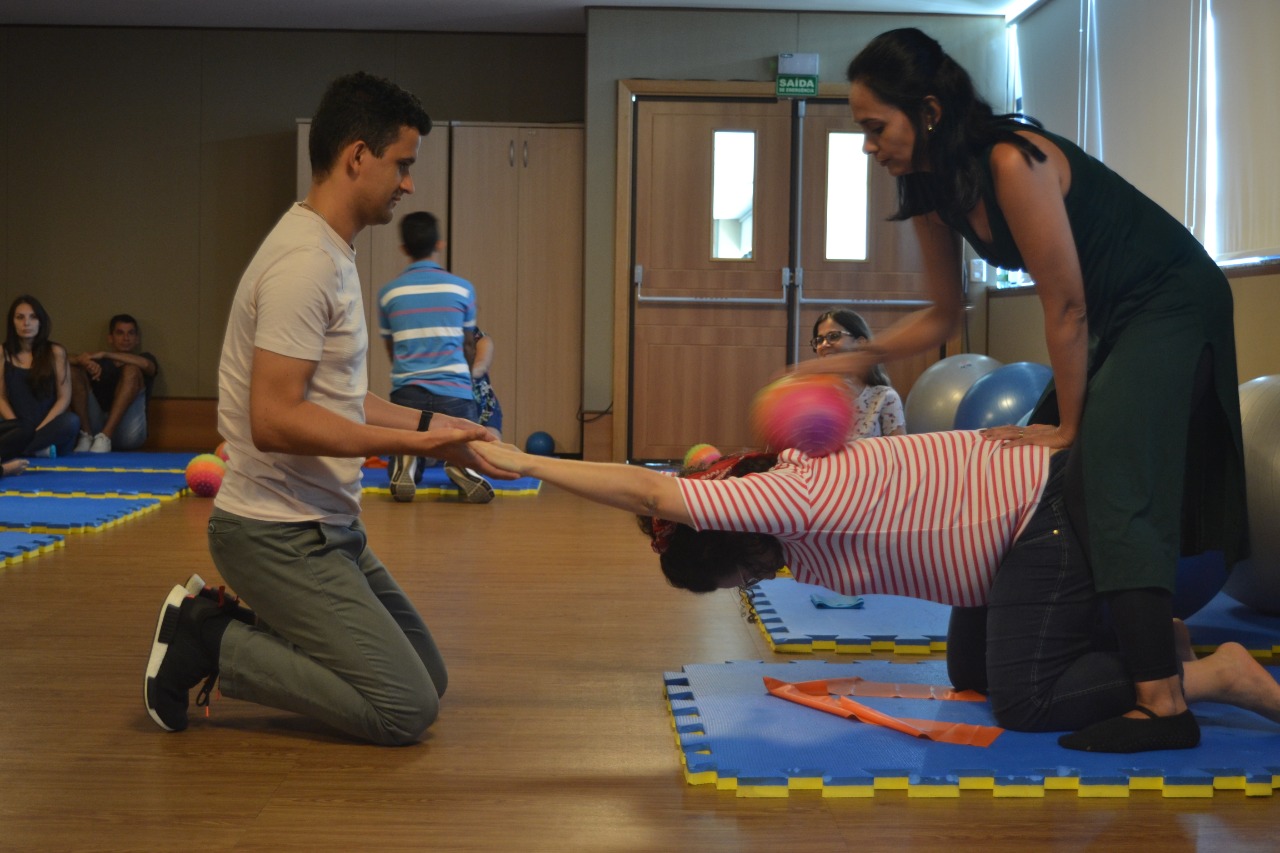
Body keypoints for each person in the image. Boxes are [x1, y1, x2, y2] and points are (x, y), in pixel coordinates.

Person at [792, 27, 1247, 753]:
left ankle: (1166, 705)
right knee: (1029, 474)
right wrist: (851, 358)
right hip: (1110, 316)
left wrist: (1070, 427)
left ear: (930, 110)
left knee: (1105, 472)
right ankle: (1153, 642)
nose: (868, 144)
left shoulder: (1010, 159)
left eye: (875, 126)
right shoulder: (933, 191)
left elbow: (1065, 306)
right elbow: (946, 314)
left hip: (1169, 300)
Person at [469, 433, 1280, 749]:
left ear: (731, 530)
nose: (752, 585)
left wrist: (529, 464)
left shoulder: (783, 498)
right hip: (1007, 548)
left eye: (736, 573)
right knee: (974, 670)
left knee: (1025, 701)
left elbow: (652, 493)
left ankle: (1213, 675)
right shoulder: (786, 510)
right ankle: (1156, 639)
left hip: (1043, 514)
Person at [143, 71, 511, 746]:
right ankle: (209, 639)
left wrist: (438, 426)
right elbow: (274, 419)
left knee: (428, 677)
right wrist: (419, 448)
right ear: (356, 158)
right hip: (275, 534)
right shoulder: (303, 263)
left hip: (329, 530)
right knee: (405, 709)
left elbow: (345, 400)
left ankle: (262, 627)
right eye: (403, 164)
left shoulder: (331, 255)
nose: (409, 184)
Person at [377, 210, 494, 504]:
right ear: (439, 244)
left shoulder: (389, 294)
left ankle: (406, 460)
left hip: (408, 393)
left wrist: (409, 375)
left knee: (408, 435)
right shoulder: (462, 288)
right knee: (463, 440)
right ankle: (461, 464)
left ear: (404, 249)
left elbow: (392, 349)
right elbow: (469, 345)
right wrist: (463, 380)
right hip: (453, 394)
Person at [0, 296, 80, 458]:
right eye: (20, 317)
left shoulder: (55, 352)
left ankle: (22, 450)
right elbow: (0, 397)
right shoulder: (3, 352)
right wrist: (19, 431)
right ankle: (36, 450)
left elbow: (64, 398)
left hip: (50, 428)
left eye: (33, 317)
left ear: (41, 321)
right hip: (17, 425)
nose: (26, 323)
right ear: (12, 322)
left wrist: (38, 431)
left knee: (71, 421)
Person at [69, 313, 159, 452]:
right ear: (110, 338)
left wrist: (105, 354)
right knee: (73, 370)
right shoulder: (97, 363)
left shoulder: (144, 358)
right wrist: (83, 361)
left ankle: (106, 436)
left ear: (137, 339)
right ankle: (86, 436)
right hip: (95, 430)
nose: (126, 338)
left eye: (131, 333)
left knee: (131, 370)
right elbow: (61, 358)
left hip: (128, 434)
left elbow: (149, 367)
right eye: (120, 333)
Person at [810, 309, 904, 438]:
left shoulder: (884, 397)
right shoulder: (811, 397)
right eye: (819, 340)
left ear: (860, 342)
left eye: (834, 336)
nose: (824, 345)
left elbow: (899, 453)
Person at [470, 326, 503, 440]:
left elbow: (481, 366)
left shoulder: (481, 339)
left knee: (493, 446)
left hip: (484, 407)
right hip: (447, 406)